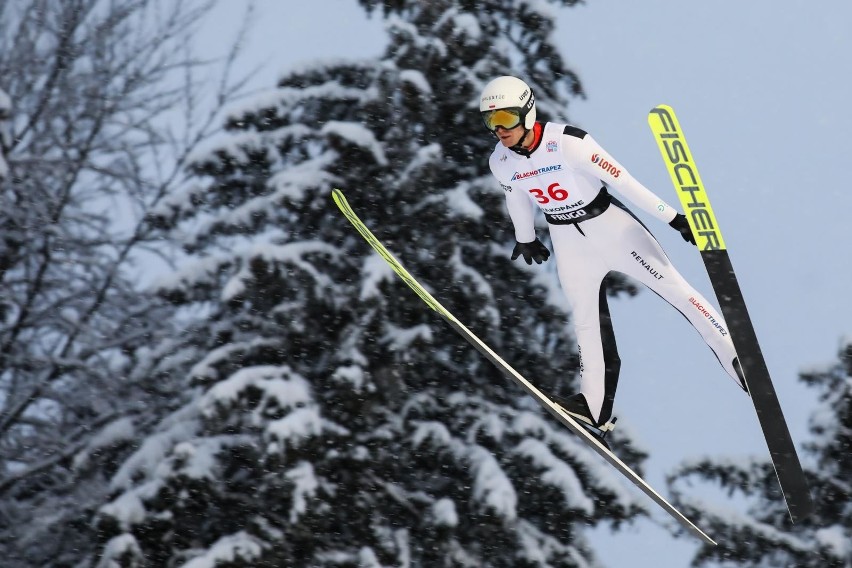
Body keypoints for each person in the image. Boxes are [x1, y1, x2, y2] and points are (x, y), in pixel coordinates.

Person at [479, 75, 747, 432]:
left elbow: (623, 180)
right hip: (568, 242)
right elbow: (515, 196)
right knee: (586, 322)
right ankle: (594, 408)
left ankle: (737, 359)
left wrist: (674, 218)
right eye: (491, 122)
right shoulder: (501, 160)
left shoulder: (569, 143)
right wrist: (525, 237)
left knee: (679, 293)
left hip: (613, 229)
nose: (500, 130)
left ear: (527, 113)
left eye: (506, 119)